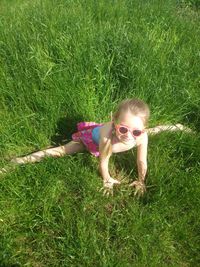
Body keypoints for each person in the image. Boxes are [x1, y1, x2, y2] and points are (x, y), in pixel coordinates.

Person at [2, 98, 193, 197]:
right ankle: (18, 161)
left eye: (135, 131)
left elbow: (141, 160)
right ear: (113, 121)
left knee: (153, 132)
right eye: (123, 129)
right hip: (90, 142)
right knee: (60, 151)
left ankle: (176, 127)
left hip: (119, 137)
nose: (127, 135)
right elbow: (104, 160)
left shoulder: (140, 136)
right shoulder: (107, 134)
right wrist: (107, 179)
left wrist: (141, 180)